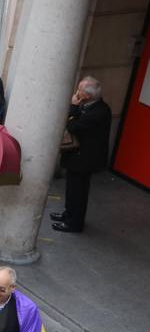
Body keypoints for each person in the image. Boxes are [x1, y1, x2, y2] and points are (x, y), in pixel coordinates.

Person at [54, 76, 111, 234]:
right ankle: (68, 214)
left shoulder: (99, 111)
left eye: (79, 90)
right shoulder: (88, 105)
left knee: (78, 192)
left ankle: (74, 223)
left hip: (85, 159)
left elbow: (73, 126)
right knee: (72, 189)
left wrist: (73, 107)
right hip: (78, 157)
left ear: (87, 95)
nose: (76, 92)